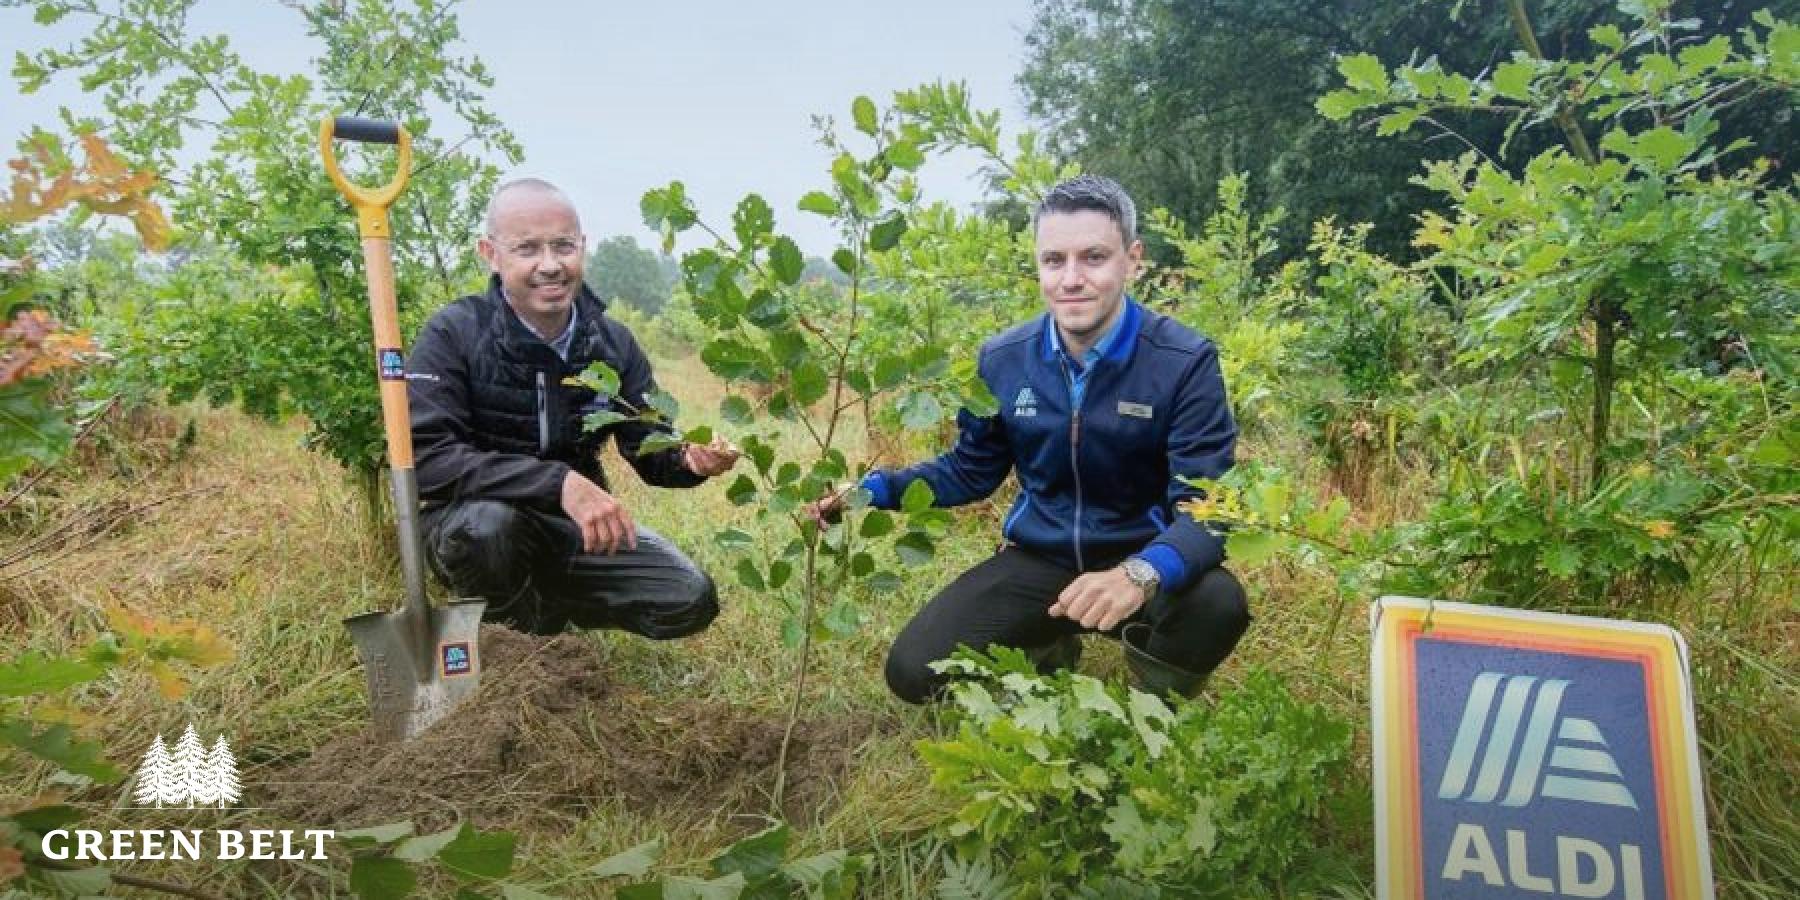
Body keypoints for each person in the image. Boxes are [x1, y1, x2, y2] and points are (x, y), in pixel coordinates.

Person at [813, 175, 1250, 702]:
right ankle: (1047, 645)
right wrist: (868, 491)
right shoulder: (1003, 359)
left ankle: (1154, 700)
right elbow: (969, 469)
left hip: (1143, 552)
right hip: (1040, 558)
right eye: (1053, 260)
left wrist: (1139, 574)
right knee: (913, 672)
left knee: (1218, 603)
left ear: (1133, 260)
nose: (1071, 279)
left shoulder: (1184, 361)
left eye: (1093, 257)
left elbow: (1209, 505)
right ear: (1038, 265)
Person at [407, 178, 739, 637]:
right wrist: (558, 482)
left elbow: (648, 449)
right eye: (527, 249)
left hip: (572, 527)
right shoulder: (453, 334)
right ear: (491, 253)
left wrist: (689, 459)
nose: (550, 265)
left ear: (582, 246)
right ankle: (508, 636)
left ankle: (549, 613)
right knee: (489, 529)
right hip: (472, 520)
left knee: (688, 598)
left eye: (563, 246)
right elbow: (426, 460)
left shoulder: (612, 342)